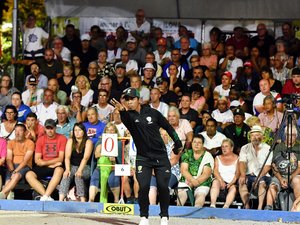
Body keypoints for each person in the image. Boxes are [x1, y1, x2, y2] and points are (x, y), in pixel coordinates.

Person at [110, 87, 183, 225]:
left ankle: (164, 217)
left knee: (163, 186)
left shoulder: (153, 113)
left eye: (132, 99)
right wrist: (121, 110)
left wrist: (178, 142)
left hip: (161, 156)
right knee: (143, 187)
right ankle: (144, 217)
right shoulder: (128, 116)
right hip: (143, 158)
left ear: (139, 99)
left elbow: (168, 127)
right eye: (127, 100)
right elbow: (127, 120)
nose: (129, 102)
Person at [25, 119, 67, 201]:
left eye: (51, 128)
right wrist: (50, 164)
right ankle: (46, 196)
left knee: (59, 170)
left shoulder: (62, 138)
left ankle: (45, 196)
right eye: (48, 128)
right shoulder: (41, 139)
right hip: (47, 165)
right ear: (45, 129)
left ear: (55, 128)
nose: (50, 130)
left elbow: (60, 158)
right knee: (28, 174)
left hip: (55, 166)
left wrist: (44, 163)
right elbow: (37, 160)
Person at [265, 126, 300, 210]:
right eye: (288, 135)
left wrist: (289, 178)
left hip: (294, 175)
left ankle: (297, 205)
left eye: (293, 135)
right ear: (285, 135)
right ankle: (269, 207)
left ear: (296, 136)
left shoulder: (299, 147)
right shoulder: (279, 147)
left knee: (297, 181)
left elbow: (299, 167)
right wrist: (281, 179)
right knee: (273, 186)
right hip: (280, 175)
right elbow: (274, 166)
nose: (290, 137)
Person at [238, 125, 272, 209]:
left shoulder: (268, 148)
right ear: (250, 137)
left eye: (257, 135)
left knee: (262, 183)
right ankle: (247, 207)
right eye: (252, 135)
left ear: (262, 136)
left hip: (263, 175)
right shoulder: (245, 148)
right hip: (249, 174)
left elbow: (267, 166)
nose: (255, 137)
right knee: (241, 182)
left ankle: (259, 208)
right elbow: (242, 162)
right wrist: (242, 175)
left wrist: (258, 177)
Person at [177, 134, 214, 207]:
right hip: (187, 179)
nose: (196, 144)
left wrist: (196, 182)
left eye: (199, 143)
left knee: (200, 194)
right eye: (194, 142)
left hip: (202, 181)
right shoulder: (187, 154)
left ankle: (196, 210)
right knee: (182, 193)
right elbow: (184, 170)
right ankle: (179, 209)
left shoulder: (208, 156)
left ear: (203, 145)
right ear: (191, 143)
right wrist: (192, 181)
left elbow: (206, 174)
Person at [59, 123, 93, 202]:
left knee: (78, 176)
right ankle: (60, 199)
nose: (77, 132)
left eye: (79, 130)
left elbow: (85, 158)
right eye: (75, 130)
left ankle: (82, 200)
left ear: (83, 131)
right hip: (72, 166)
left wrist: (80, 170)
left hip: (85, 167)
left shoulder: (88, 142)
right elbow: (67, 157)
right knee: (66, 175)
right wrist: (67, 169)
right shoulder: (70, 141)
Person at [88, 122, 121, 203]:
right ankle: (90, 200)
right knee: (95, 178)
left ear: (115, 132)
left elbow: (121, 159)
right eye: (108, 130)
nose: (110, 132)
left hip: (114, 167)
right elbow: (96, 154)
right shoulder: (101, 141)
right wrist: (107, 155)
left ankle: (116, 201)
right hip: (101, 167)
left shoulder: (119, 143)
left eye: (112, 130)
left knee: (113, 179)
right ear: (105, 131)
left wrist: (115, 160)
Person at [0, 124, 34, 199]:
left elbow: (25, 161)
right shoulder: (11, 142)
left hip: (25, 166)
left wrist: (15, 171)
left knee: (16, 176)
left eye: (20, 131)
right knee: (8, 181)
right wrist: (12, 170)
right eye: (16, 131)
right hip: (12, 166)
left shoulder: (30, 143)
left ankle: (2, 194)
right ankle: (6, 199)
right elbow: (8, 159)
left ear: (25, 132)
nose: (17, 133)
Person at [209, 139, 239, 208]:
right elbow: (215, 171)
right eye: (222, 147)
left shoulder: (238, 158)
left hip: (232, 182)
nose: (224, 148)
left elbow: (238, 173)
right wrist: (221, 180)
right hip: (219, 180)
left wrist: (231, 183)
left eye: (226, 146)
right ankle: (212, 204)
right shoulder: (217, 158)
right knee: (215, 182)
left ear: (231, 148)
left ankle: (226, 206)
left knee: (233, 188)